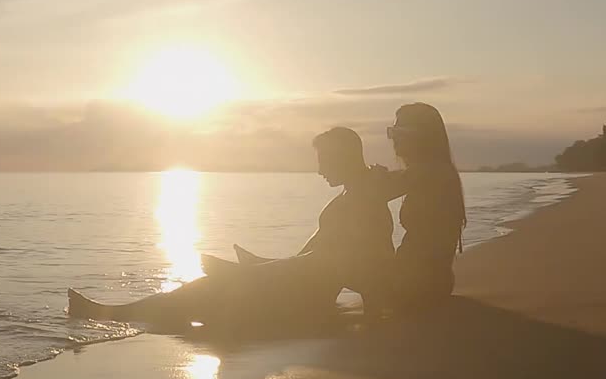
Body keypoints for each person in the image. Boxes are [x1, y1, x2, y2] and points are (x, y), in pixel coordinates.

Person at [67, 127, 394, 331]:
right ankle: (116, 313)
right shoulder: (351, 198)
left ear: (343, 157)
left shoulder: (364, 199)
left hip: (305, 300)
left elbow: (356, 263)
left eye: (324, 159)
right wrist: (261, 265)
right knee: (209, 289)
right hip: (299, 288)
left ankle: (111, 314)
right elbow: (311, 254)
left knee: (210, 291)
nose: (319, 168)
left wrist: (254, 274)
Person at [372, 102, 468, 310]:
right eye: (391, 132)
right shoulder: (436, 171)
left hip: (416, 284)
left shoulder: (431, 172)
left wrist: (372, 177)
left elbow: (378, 191)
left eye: (400, 131)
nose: (394, 139)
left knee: (337, 263)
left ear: (423, 136)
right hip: (430, 282)